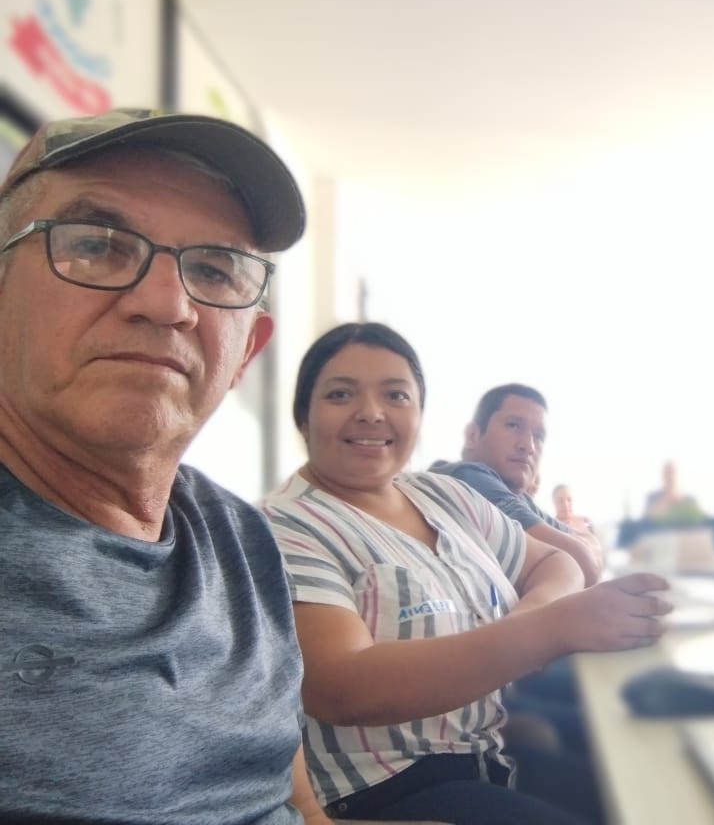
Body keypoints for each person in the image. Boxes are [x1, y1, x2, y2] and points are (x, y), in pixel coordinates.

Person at [0, 108, 331, 823]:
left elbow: (289, 792)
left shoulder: (243, 538)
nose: (166, 303)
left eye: (213, 269)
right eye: (96, 246)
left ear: (246, 352)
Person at [261, 323, 672, 825]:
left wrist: (530, 623)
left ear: (419, 414)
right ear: (303, 415)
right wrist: (546, 632)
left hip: (487, 753)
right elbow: (343, 687)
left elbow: (555, 562)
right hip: (386, 793)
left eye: (396, 395)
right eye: (341, 394)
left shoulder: (443, 495)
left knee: (649, 789)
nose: (371, 412)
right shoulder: (283, 525)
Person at [430, 384, 602, 587]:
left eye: (538, 436)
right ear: (472, 435)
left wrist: (587, 545)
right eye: (513, 426)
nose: (528, 446)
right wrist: (585, 545)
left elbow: (592, 549)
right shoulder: (467, 477)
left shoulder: (520, 498)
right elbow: (584, 565)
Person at [643, 459, 707, 524]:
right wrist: (666, 499)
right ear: (663, 476)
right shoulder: (652, 498)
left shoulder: (690, 500)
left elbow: (699, 520)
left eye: (672, 473)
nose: (670, 477)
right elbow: (647, 519)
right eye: (667, 473)